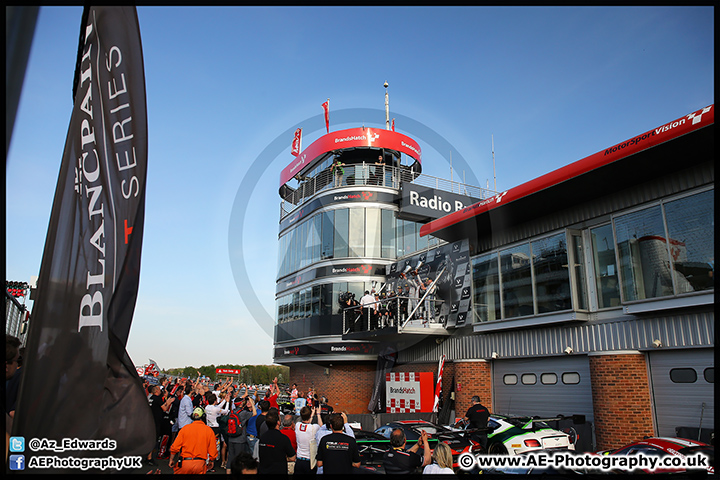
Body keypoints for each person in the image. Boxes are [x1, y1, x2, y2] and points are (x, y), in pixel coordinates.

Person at [168, 407, 218, 474]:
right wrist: (211, 461)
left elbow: (175, 447)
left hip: (185, 463)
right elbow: (213, 450)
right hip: (200, 464)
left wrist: (171, 459)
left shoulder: (185, 429)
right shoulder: (209, 431)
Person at [226, 392, 257, 474]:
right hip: (240, 439)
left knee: (230, 460)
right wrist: (252, 404)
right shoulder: (244, 413)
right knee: (239, 460)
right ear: (241, 404)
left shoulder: (231, 413)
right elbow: (254, 413)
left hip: (231, 437)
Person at [294, 405, 321, 475]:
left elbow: (306, 424)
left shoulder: (297, 425)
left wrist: (310, 415)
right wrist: (318, 414)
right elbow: (321, 427)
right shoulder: (314, 427)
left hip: (299, 459)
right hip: (309, 461)